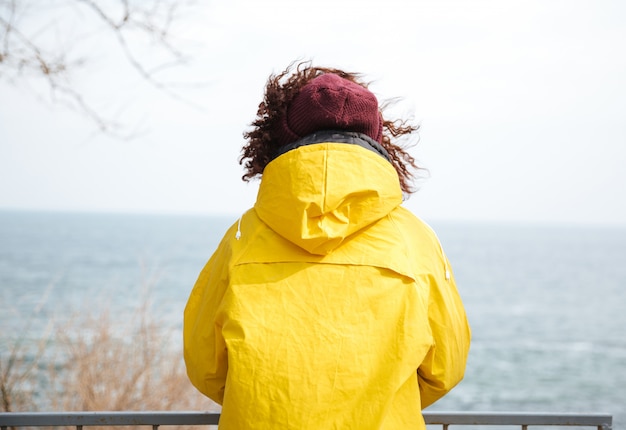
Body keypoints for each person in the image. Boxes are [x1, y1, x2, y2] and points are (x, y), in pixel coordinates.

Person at [183, 61, 471, 430]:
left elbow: (204, 364)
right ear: (378, 139)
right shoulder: (415, 240)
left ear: (280, 138)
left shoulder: (242, 236)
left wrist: (264, 401)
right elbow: (446, 366)